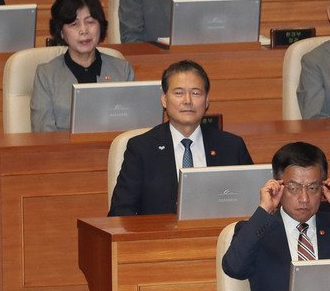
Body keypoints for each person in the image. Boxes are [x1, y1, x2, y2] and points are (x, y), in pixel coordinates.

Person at [221, 142, 330, 291]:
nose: (304, 198)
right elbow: (234, 269)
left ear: (323, 187)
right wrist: (265, 209)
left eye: (313, 187)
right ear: (278, 185)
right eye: (294, 188)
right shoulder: (258, 229)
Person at [108, 60, 253, 216]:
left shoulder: (231, 146)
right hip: (160, 237)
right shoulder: (142, 148)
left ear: (207, 101)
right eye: (179, 93)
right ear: (164, 99)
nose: (188, 101)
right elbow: (120, 212)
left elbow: (254, 201)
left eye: (196, 93)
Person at [31, 0, 135, 132]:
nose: (84, 30)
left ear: (101, 26)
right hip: (65, 153)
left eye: (90, 22)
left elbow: (133, 126)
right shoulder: (46, 75)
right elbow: (43, 133)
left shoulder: (122, 70)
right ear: (61, 32)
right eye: (74, 24)